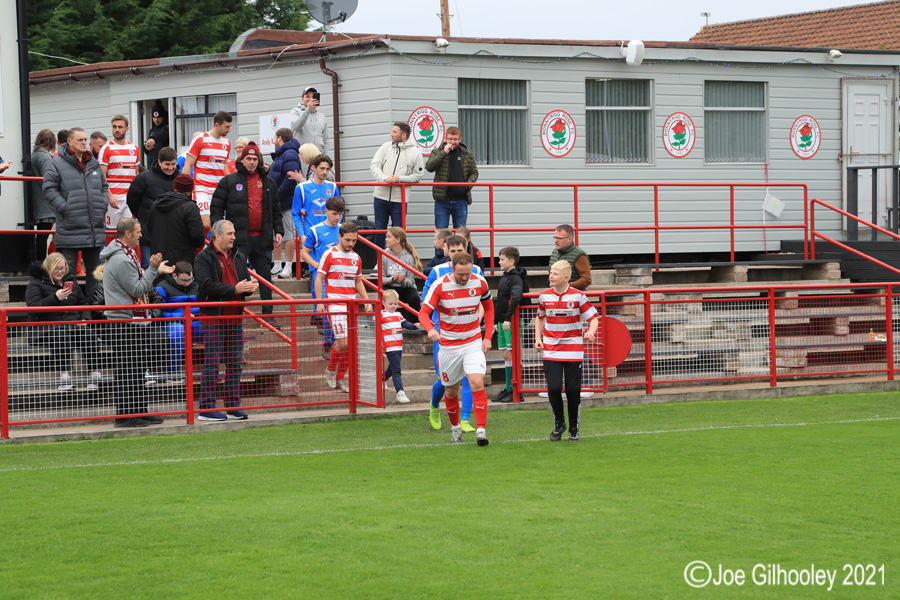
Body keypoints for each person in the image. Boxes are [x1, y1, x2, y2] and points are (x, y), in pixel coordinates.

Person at [100, 218, 175, 428]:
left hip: (133, 320)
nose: (141, 235)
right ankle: (124, 415)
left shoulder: (125, 254)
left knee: (138, 367)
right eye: (138, 232)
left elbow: (136, 281)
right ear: (127, 235)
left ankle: (139, 410)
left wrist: (154, 270)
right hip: (124, 322)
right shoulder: (121, 259)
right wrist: (152, 270)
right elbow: (137, 289)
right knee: (127, 369)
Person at [420, 251, 494, 446]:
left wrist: (487, 337)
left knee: (477, 382)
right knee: (451, 391)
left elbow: (489, 307)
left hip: (472, 342)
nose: (464, 278)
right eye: (461, 274)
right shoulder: (440, 285)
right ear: (452, 268)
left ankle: (481, 431)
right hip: (449, 346)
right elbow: (424, 313)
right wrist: (430, 330)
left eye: (467, 274)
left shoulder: (480, 282)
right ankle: (455, 431)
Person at [210, 141, 283, 316]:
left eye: (255, 158)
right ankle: (238, 313)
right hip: (238, 239)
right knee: (238, 278)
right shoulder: (229, 181)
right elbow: (216, 207)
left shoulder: (268, 182)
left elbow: (276, 209)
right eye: (248, 158)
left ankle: (268, 315)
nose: (251, 162)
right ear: (241, 160)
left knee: (265, 277)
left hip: (262, 238)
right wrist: (219, 231)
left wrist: (279, 230)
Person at [195, 219, 257, 421]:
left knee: (234, 363)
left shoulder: (238, 255)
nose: (234, 237)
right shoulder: (203, 258)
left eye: (233, 233)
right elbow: (205, 285)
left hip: (235, 317)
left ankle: (232, 406)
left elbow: (242, 280)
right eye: (230, 234)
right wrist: (234, 290)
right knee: (212, 363)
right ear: (218, 235)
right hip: (213, 317)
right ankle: (206, 408)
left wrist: (248, 288)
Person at [534, 260, 599, 442]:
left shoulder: (578, 296)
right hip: (551, 349)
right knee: (553, 388)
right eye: (550, 273)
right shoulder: (544, 296)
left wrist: (591, 331)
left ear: (566, 277)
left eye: (554, 274)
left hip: (573, 349)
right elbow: (540, 318)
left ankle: (573, 428)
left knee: (572, 390)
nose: (550, 277)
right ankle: (559, 423)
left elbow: (594, 318)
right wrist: (538, 339)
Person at [42, 127, 109, 297]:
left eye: (85, 140)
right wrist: (65, 208)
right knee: (67, 270)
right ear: (69, 142)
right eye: (80, 140)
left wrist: (102, 205)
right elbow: (49, 189)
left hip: (93, 226)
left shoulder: (93, 162)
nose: (84, 143)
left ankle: (94, 309)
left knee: (95, 272)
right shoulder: (56, 163)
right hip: (70, 225)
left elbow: (103, 186)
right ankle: (68, 308)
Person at [25, 253, 102, 391]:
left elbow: (83, 303)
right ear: (48, 268)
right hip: (47, 328)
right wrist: (55, 297)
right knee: (61, 335)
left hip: (72, 326)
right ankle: (64, 375)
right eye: (56, 268)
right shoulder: (35, 284)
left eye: (63, 268)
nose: (60, 272)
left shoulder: (72, 281)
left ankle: (93, 374)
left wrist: (84, 319)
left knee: (89, 333)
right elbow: (33, 309)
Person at [316, 222, 373, 392]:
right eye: (347, 240)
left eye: (354, 240)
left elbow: (358, 281)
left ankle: (340, 378)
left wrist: (366, 300)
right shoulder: (329, 254)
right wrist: (319, 301)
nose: (350, 243)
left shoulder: (356, 257)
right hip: (335, 305)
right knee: (343, 342)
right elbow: (319, 278)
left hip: (352, 305)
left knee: (353, 345)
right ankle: (331, 371)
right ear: (339, 237)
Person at [300, 195, 344, 355]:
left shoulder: (343, 230)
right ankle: (327, 343)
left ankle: (338, 342)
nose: (337, 217)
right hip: (323, 277)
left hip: (340, 278)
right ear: (326, 211)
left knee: (340, 311)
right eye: (334, 213)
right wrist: (317, 265)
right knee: (326, 308)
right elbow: (304, 253)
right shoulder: (315, 230)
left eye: (340, 214)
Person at [370, 122, 425, 247]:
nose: (391, 134)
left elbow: (418, 176)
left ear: (403, 135)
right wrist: (384, 179)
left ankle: (397, 261)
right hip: (380, 197)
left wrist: (399, 179)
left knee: (398, 233)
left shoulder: (415, 152)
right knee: (379, 231)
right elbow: (374, 165)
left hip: (400, 199)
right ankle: (380, 261)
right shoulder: (385, 147)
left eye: (394, 132)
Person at [127, 146, 177, 267]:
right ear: (159, 162)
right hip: (148, 233)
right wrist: (144, 216)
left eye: (173, 164)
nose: (171, 168)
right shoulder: (144, 178)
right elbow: (131, 200)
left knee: (170, 268)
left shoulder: (178, 178)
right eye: (167, 164)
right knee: (148, 267)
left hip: (171, 235)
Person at [182, 111, 233, 230]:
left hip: (219, 190)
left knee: (219, 226)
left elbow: (223, 166)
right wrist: (184, 191)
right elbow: (188, 164)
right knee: (205, 224)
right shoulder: (200, 140)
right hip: (202, 189)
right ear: (217, 125)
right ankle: (201, 247)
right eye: (227, 126)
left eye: (230, 126)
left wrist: (232, 182)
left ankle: (211, 248)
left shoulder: (227, 143)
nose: (229, 129)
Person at [492, 246, 530, 403]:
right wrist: (496, 321)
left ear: (512, 261)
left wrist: (508, 319)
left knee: (513, 354)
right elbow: (500, 300)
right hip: (502, 322)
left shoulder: (515, 278)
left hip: (512, 321)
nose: (499, 262)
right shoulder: (504, 276)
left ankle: (517, 390)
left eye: (502, 259)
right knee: (506, 354)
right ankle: (509, 388)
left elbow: (516, 297)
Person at [425, 126, 479, 229]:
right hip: (442, 200)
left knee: (460, 234)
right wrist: (444, 153)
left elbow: (474, 173)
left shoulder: (467, 153)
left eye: (455, 139)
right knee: (441, 234)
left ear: (460, 139)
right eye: (450, 139)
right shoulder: (437, 152)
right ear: (445, 139)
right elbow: (429, 167)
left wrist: (467, 185)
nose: (452, 142)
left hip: (461, 200)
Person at [156, 261, 203, 379]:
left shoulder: (197, 285)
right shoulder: (161, 287)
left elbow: (204, 306)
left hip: (194, 322)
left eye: (190, 279)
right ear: (174, 275)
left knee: (213, 328)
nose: (187, 283)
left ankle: (212, 371)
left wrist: (194, 313)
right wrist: (181, 315)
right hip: (172, 323)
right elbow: (159, 313)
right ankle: (173, 372)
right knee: (178, 331)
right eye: (183, 280)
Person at [148, 174, 205, 265]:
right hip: (182, 264)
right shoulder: (190, 207)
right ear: (191, 190)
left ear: (174, 187)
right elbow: (198, 238)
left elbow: (150, 228)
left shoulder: (156, 204)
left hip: (158, 260)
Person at [268, 128, 301, 279]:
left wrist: (276, 195)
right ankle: (277, 264)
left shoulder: (290, 154)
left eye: (274, 138)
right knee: (277, 234)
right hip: (277, 202)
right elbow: (281, 174)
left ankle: (288, 266)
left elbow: (290, 179)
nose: (273, 140)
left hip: (285, 202)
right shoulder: (282, 154)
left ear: (280, 138)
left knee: (287, 235)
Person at [98, 115, 140, 230]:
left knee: (131, 232)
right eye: (114, 127)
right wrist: (110, 196)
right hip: (114, 198)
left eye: (120, 127)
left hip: (130, 198)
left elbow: (136, 175)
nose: (117, 129)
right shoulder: (106, 148)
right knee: (112, 232)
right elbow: (102, 177)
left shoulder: (134, 148)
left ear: (127, 129)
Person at [380, 288, 420, 404]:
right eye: (390, 304)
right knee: (397, 369)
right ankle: (400, 392)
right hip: (390, 346)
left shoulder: (398, 314)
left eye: (395, 304)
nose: (393, 306)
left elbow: (405, 324)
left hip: (398, 346)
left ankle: (382, 379)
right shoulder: (381, 314)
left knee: (392, 368)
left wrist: (414, 326)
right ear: (383, 303)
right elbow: (372, 323)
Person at [382, 226, 422, 322]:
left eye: (389, 237)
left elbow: (411, 282)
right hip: (390, 287)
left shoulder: (409, 257)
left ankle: (415, 324)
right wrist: (392, 279)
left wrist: (402, 281)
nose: (386, 239)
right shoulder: (383, 254)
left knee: (415, 298)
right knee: (382, 294)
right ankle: (384, 322)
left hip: (405, 288)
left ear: (397, 239)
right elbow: (381, 279)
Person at [29, 129, 57, 262]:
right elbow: (49, 179)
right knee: (43, 235)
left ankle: (39, 262)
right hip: (45, 203)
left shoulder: (34, 155)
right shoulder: (45, 157)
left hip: (36, 199)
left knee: (40, 235)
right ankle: (41, 263)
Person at [549, 224, 592, 290]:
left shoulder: (580, 255)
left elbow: (586, 280)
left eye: (559, 238)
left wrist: (566, 286)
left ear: (569, 239)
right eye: (555, 238)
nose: (556, 241)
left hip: (573, 296)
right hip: (556, 294)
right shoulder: (555, 252)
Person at [291, 86, 329, 156]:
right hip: (303, 156)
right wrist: (308, 109)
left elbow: (325, 140)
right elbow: (296, 126)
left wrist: (326, 157)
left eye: (313, 96)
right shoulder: (295, 111)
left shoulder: (322, 117)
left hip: (319, 156)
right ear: (302, 99)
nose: (310, 99)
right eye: (307, 96)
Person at [144, 101, 170, 168]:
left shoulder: (167, 128)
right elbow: (147, 150)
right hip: (151, 166)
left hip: (162, 165)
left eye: (159, 117)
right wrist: (147, 147)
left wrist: (153, 139)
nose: (156, 120)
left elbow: (162, 136)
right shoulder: (152, 130)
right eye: (154, 117)